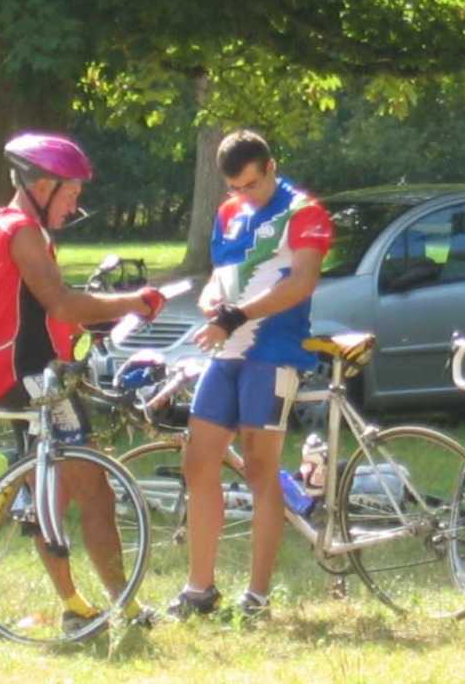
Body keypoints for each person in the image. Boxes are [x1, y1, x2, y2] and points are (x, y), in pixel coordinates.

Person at [0, 131, 164, 632]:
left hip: (6, 373)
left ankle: (75, 603)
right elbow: (61, 303)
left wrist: (93, 319)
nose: (75, 206)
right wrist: (134, 302)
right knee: (93, 490)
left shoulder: (0, 225)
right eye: (70, 194)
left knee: (51, 492)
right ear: (42, 185)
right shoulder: (23, 232)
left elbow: (36, 309)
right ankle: (122, 605)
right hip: (31, 378)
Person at [168, 129, 333, 619]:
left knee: (261, 470)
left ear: (271, 167)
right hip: (226, 351)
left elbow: (301, 282)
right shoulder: (228, 212)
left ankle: (257, 596)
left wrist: (237, 315)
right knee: (199, 462)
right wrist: (211, 302)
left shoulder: (303, 211)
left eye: (253, 185)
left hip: (273, 351)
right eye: (236, 188)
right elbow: (219, 276)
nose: (245, 195)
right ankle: (199, 589)